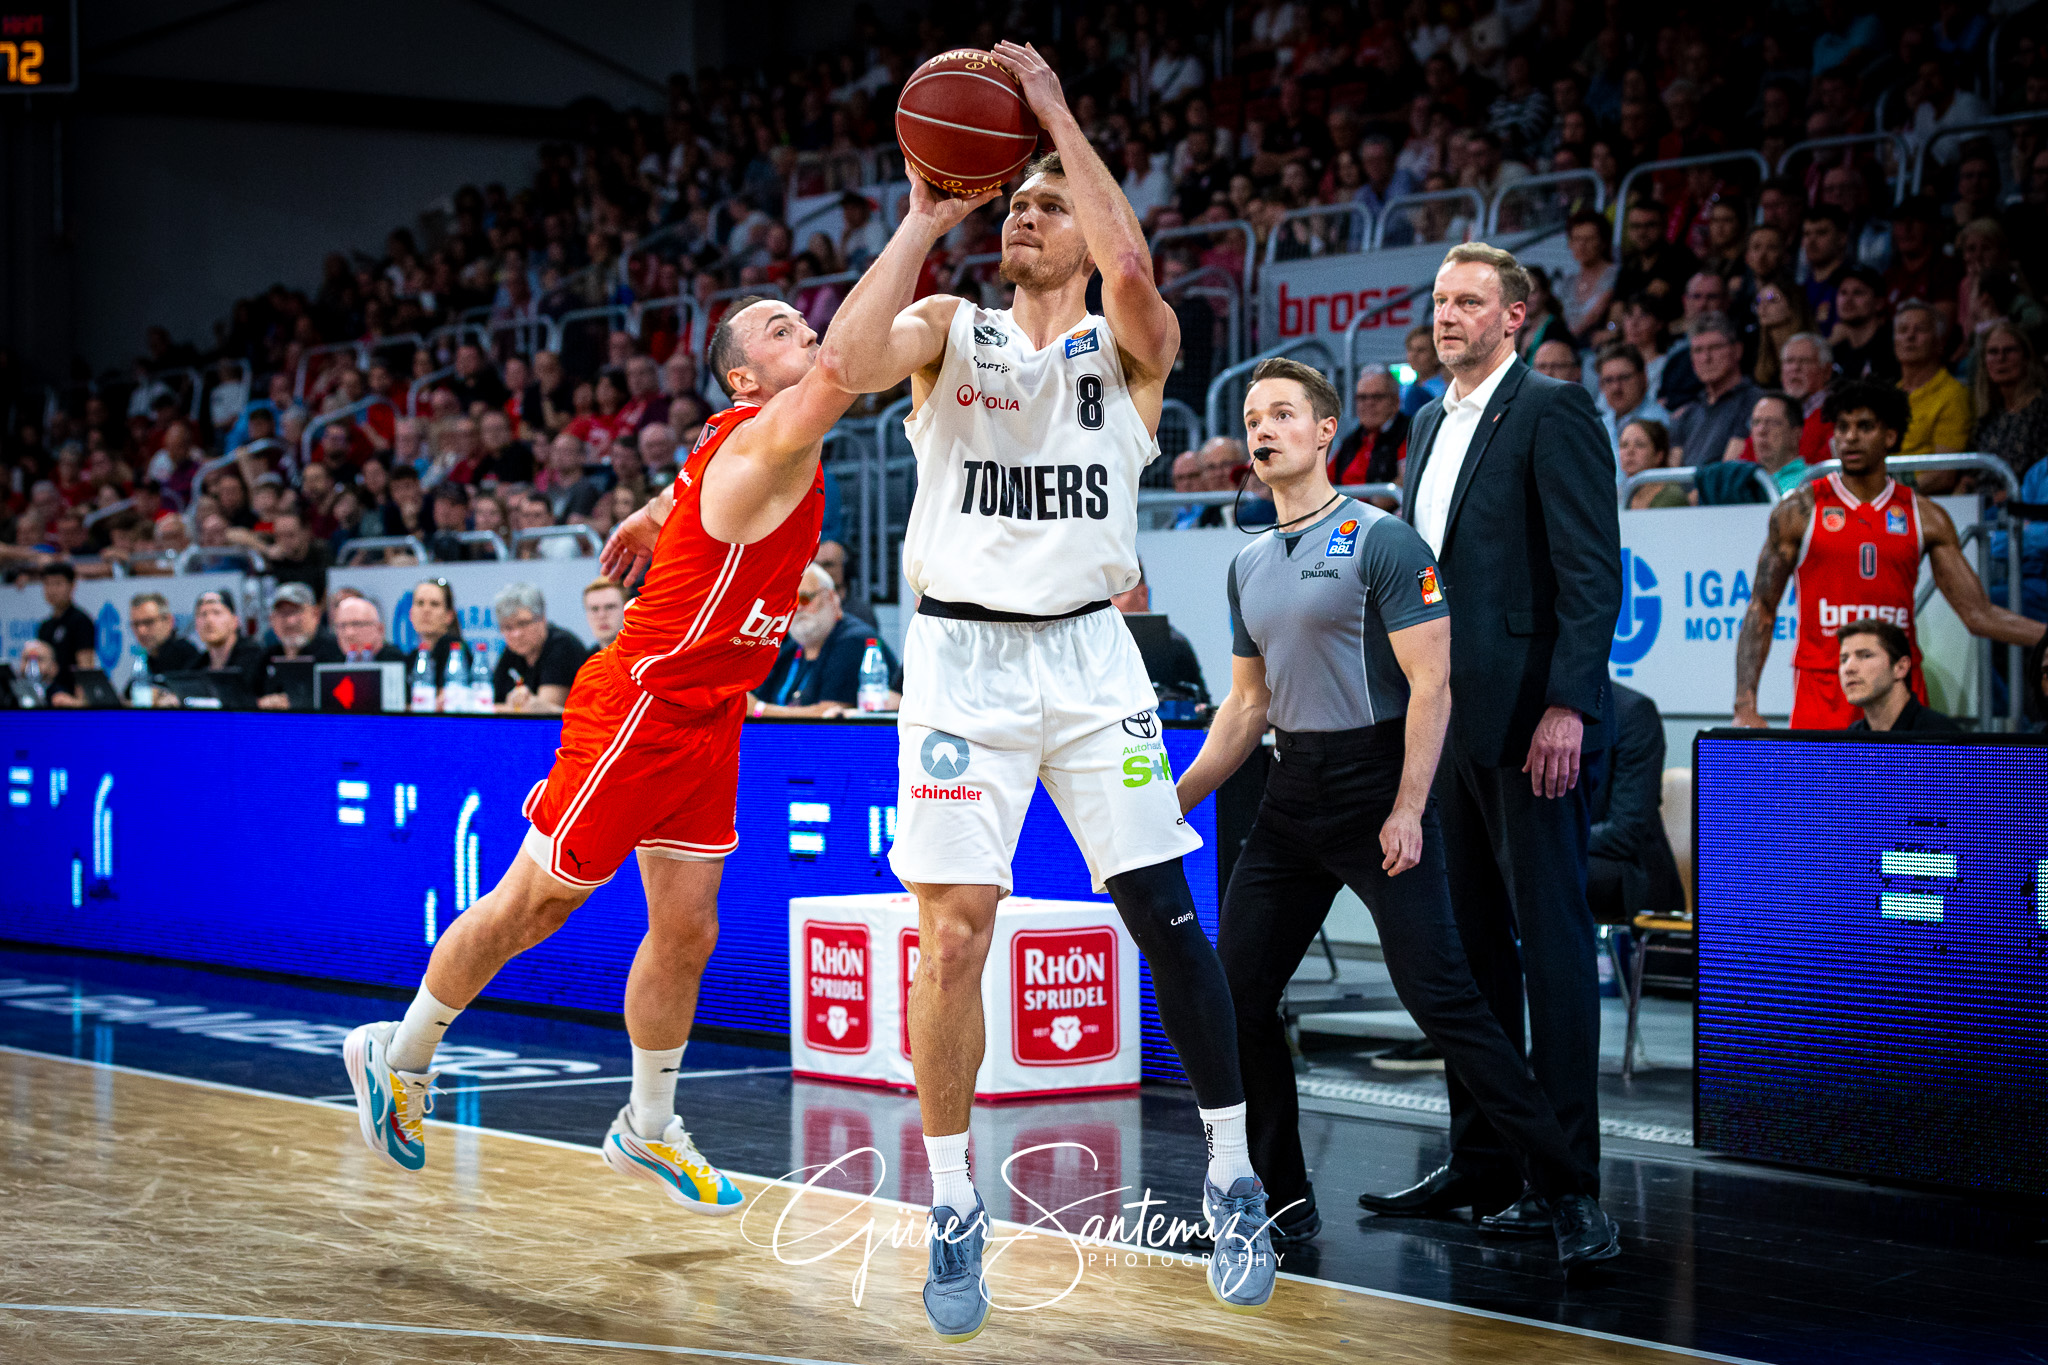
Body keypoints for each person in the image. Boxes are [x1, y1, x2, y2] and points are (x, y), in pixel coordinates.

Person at [816, 42, 1277, 1331]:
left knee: (1163, 917)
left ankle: (1234, 1178)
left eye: (1044, 202)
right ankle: (954, 1201)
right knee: (952, 931)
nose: (1021, 213)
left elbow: (1132, 271)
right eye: (1012, 202)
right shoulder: (944, 332)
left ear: (1082, 224)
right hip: (961, 664)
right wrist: (920, 217)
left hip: (1087, 658)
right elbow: (845, 364)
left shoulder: (1126, 353)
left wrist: (1060, 119)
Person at [341, 265, 893, 1230]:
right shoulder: (769, 434)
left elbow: (705, 475)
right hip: (640, 705)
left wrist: (657, 505)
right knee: (534, 904)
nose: (799, 324)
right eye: (776, 326)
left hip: (712, 715)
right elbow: (843, 367)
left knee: (689, 930)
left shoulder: (733, 446)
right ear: (742, 380)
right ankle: (400, 1054)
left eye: (796, 316)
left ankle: (648, 1123)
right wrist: (927, 215)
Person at [1176, 357, 1622, 1274]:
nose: (1264, 430)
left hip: (1380, 784)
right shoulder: (1247, 561)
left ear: (1323, 431)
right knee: (1237, 996)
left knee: (1445, 1001)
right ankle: (1284, 1198)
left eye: (1284, 414)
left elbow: (1433, 686)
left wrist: (1410, 807)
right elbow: (1245, 709)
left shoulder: (1383, 540)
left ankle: (1570, 1188)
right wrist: (1165, 804)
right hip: (1292, 790)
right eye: (1253, 417)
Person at [1363, 242, 1622, 1233]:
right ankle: (1480, 1163)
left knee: (1551, 950)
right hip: (1440, 729)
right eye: (1438, 300)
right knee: (1466, 956)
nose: (1447, 315)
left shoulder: (1552, 412)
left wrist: (1567, 703)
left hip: (1526, 722)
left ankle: (1566, 1181)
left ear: (1514, 316)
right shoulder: (1425, 422)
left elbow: (1588, 574)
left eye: (1468, 301)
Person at [1734, 379, 2046, 729]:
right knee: (1824, 786)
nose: (1850, 437)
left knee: (1908, 786)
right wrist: (1745, 704)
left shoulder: (1925, 516)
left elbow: (1978, 614)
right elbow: (1762, 608)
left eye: (1864, 426)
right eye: (1843, 428)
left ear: (1891, 436)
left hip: (1898, 689)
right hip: (1824, 688)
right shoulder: (1799, 511)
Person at [1584, 681, 1685, 924]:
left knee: (1541, 873)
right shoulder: (1525, 714)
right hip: (1575, 852)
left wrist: (1549, 842)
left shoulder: (1632, 712)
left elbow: (1624, 832)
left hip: (1630, 868)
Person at [749, 564, 903, 717]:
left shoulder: (853, 640)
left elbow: (830, 714)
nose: (797, 608)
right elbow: (758, 696)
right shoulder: (790, 647)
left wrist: (759, 710)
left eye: (804, 599)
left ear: (831, 597)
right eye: (790, 601)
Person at [1108, 562, 1210, 708]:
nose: (1110, 603)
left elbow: (1202, 703)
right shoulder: (1098, 645)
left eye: (1117, 594)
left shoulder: (1176, 644)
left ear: (1142, 594)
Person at [1839, 618, 1962, 733]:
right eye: (1844, 660)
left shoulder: (1941, 737)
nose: (1849, 668)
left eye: (1865, 655)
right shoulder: (1852, 737)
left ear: (1901, 667)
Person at [1667, 315, 1760, 466]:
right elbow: (1672, 476)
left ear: (1737, 350)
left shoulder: (1754, 402)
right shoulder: (1686, 414)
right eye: (1698, 350)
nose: (1706, 358)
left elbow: (1727, 470)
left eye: (1715, 348)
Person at [489, 583, 586, 716]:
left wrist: (509, 708)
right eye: (508, 627)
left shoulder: (563, 645)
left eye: (523, 624)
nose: (516, 634)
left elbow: (542, 713)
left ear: (542, 619)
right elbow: (487, 705)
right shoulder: (511, 652)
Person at [1893, 301, 1971, 457]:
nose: (1910, 336)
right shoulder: (1890, 395)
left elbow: (1943, 473)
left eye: (1920, 329)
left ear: (1939, 342)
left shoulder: (1953, 395)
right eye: (1903, 330)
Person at [1327, 366, 1408, 493]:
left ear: (1395, 402)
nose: (1369, 403)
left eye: (1377, 397)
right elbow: (1326, 480)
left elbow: (1406, 479)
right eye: (1362, 397)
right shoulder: (1351, 440)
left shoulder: (1409, 434)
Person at [1594, 342, 1669, 468]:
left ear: (1643, 378)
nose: (1616, 387)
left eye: (1624, 378)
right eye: (1608, 380)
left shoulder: (1659, 421)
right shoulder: (1600, 426)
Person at [185, 589, 268, 701]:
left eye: (216, 612)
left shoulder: (257, 660)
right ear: (196, 625)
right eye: (203, 614)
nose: (209, 620)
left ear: (235, 621)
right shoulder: (194, 667)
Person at [35, 561, 97, 699]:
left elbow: (85, 667)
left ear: (72, 586)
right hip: (48, 697)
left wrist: (79, 705)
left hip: (69, 699)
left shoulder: (81, 621)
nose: (52, 590)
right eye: (47, 584)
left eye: (57, 584)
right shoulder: (45, 626)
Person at [128, 591, 201, 689]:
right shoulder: (145, 661)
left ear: (169, 621)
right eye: (136, 624)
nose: (141, 631)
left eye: (148, 622)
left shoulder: (186, 655)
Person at [1745, 390, 1812, 495]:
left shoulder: (1813, 481)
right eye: (1756, 422)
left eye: (1772, 423)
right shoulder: (1743, 484)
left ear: (1796, 434)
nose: (1761, 430)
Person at [1619, 418, 1687, 509]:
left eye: (1639, 445)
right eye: (1624, 445)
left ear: (1658, 455)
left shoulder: (1672, 497)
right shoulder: (1620, 494)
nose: (1629, 451)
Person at [332, 593, 405, 663]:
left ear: (380, 629)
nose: (349, 633)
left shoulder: (398, 662)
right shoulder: (328, 661)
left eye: (357, 624)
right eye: (342, 625)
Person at [583, 578, 626, 651]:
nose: (602, 615)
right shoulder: (584, 660)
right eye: (594, 609)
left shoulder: (646, 657)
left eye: (610, 607)